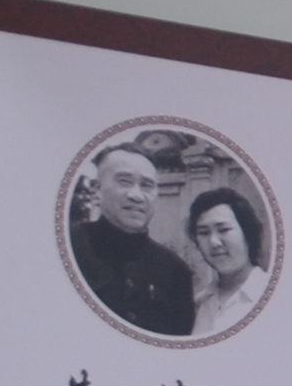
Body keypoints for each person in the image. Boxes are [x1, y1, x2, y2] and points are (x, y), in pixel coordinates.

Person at [69, 142, 197, 336]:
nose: (137, 196)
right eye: (124, 181)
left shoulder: (175, 272)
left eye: (147, 185)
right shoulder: (69, 246)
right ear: (96, 189)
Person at [183, 185, 275, 338]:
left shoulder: (270, 294)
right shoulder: (201, 303)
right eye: (204, 233)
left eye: (223, 230)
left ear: (247, 232)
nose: (214, 242)